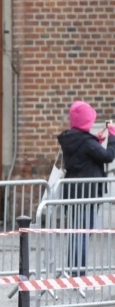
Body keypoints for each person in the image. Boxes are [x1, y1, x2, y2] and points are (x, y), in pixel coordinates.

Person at [57, 101, 115, 274]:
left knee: (77, 232)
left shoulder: (72, 138)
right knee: (82, 232)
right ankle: (79, 274)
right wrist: (112, 137)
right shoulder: (86, 142)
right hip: (87, 192)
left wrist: (96, 141)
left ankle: (73, 270)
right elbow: (108, 156)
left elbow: (85, 154)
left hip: (74, 193)